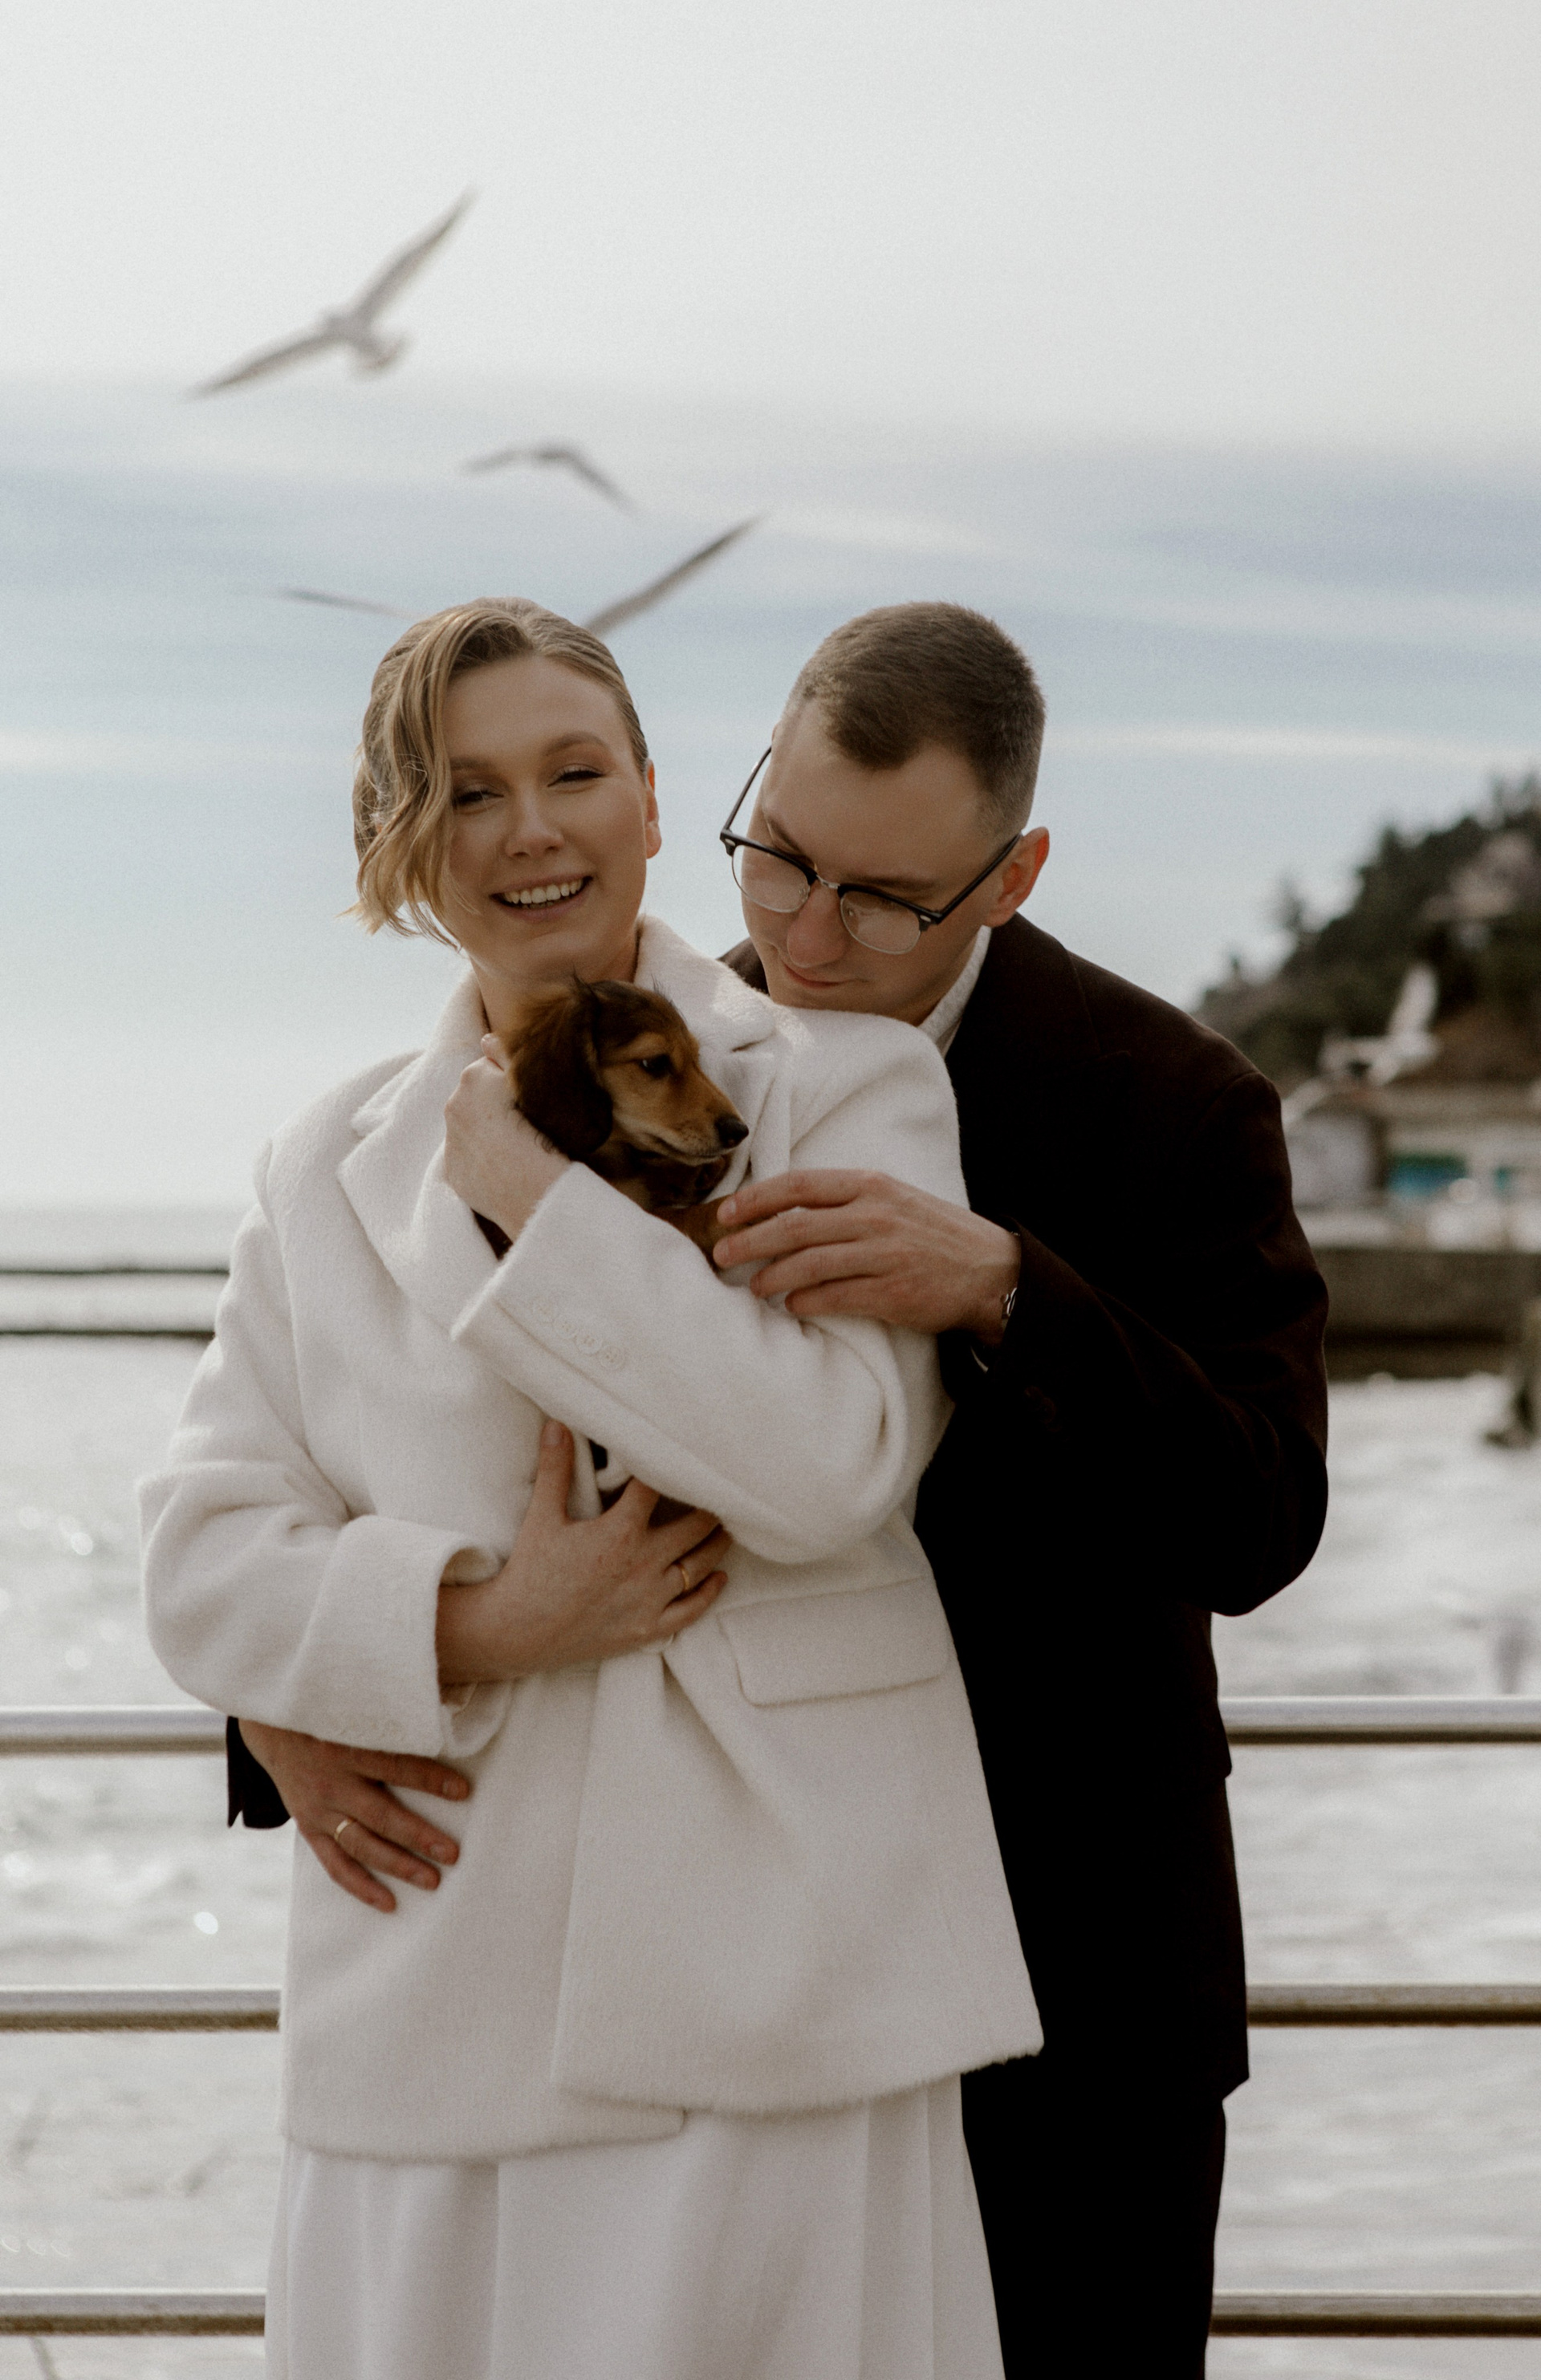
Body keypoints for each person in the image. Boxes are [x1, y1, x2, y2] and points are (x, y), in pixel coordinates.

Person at [225, 601, 1331, 2377]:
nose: (807, 939)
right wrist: (333, 1673)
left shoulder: (1172, 1104)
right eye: (781, 859)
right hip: (685, 1942)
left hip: (1060, 1922)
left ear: (1011, 876)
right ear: (728, 799)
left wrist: (1007, 1293)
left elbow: (1257, 1513)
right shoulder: (638, 1049)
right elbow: (340, 1464)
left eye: (882, 899)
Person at [141, 596, 1039, 2380]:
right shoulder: (320, 1163)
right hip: (437, 1972)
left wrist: (538, 1205)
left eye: (573, 772)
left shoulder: (846, 1086)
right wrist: (479, 1622)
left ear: (653, 798)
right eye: (467, 791)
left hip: (786, 1978)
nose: (530, 829)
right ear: (404, 842)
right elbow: (201, 1562)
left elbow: (829, 1467)